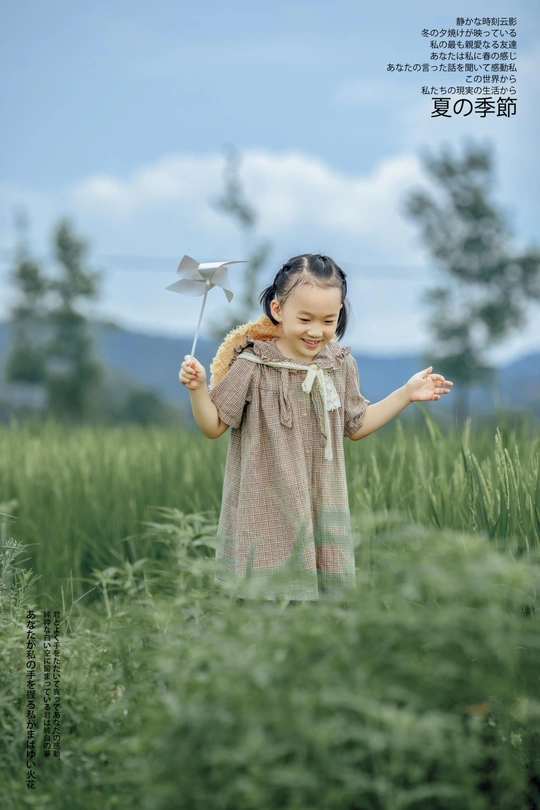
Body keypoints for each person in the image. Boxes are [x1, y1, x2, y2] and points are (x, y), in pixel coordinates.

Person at [179, 253, 452, 603]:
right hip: (265, 508)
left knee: (318, 614)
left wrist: (406, 394)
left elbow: (356, 424)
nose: (316, 331)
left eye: (328, 320)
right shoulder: (254, 364)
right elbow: (213, 425)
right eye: (305, 318)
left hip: (321, 506)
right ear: (278, 310)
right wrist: (198, 389)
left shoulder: (339, 365)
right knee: (263, 606)